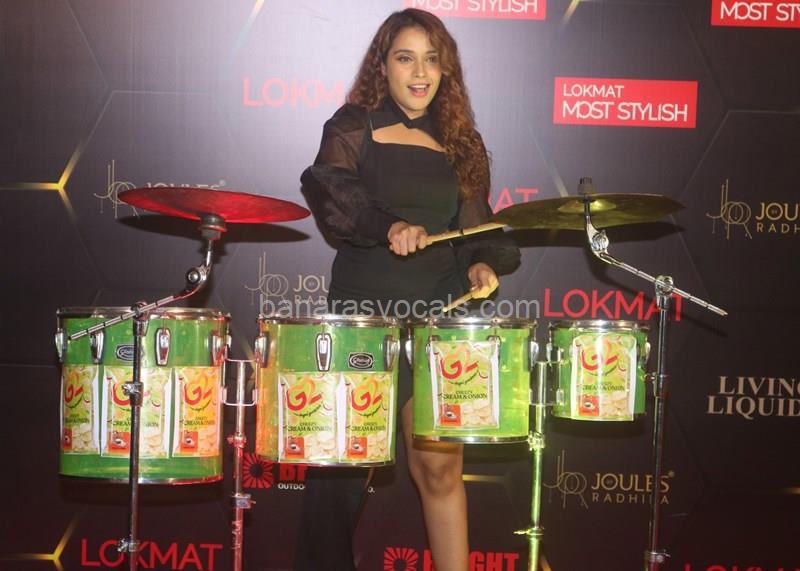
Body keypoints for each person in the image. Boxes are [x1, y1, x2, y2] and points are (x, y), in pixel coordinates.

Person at [296, 8, 520, 571]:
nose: (420, 72)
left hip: (438, 318)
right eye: (405, 58)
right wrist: (388, 225)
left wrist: (480, 264)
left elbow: (475, 226)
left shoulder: (461, 143)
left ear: (446, 70)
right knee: (342, 468)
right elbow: (332, 191)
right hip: (364, 317)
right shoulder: (354, 125)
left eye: (431, 59)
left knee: (441, 468)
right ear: (384, 66)